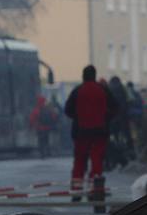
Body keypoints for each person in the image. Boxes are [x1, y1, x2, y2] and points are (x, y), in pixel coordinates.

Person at [64, 65, 119, 198]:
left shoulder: (77, 91)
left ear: (83, 76)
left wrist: (77, 117)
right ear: (94, 75)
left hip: (81, 132)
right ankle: (95, 189)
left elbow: (68, 110)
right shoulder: (103, 90)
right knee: (97, 160)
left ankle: (77, 190)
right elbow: (115, 107)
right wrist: (106, 118)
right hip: (100, 132)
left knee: (80, 160)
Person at [29, 94, 58, 158]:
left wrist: (31, 126)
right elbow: (54, 117)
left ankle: (42, 153)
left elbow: (32, 118)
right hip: (47, 127)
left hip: (39, 127)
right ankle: (48, 152)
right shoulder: (48, 108)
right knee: (46, 140)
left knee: (40, 140)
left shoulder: (36, 109)